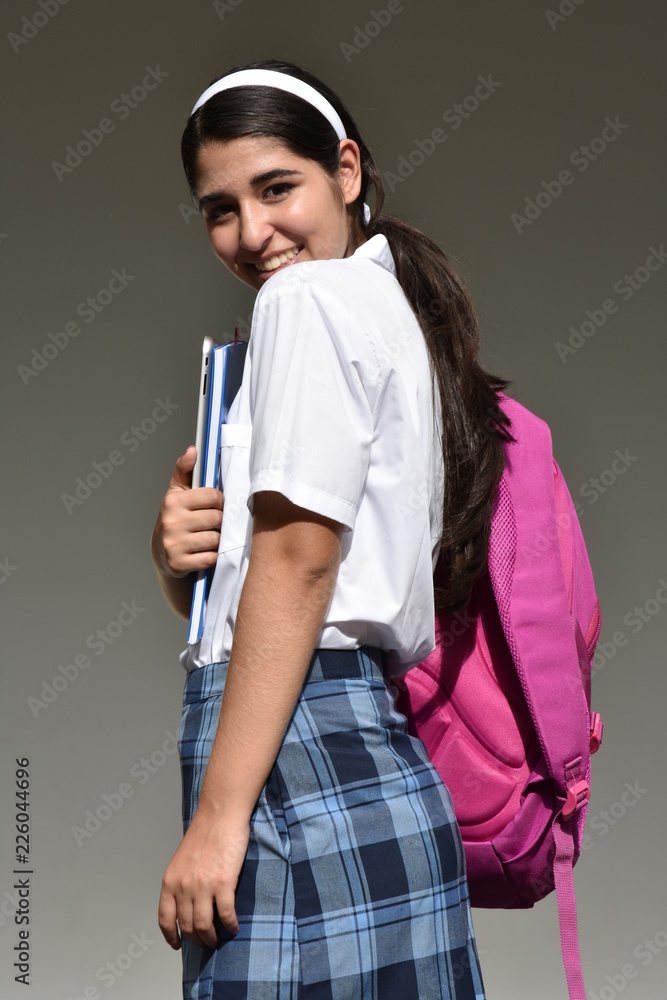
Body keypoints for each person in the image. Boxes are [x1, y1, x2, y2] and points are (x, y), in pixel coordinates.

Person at [152, 58, 510, 999]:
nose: (251, 232)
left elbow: (303, 565)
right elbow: (315, 572)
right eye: (218, 208)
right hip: (356, 754)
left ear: (345, 171)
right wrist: (184, 567)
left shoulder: (306, 301)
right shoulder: (388, 311)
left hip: (293, 765)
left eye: (277, 188)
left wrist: (219, 821)